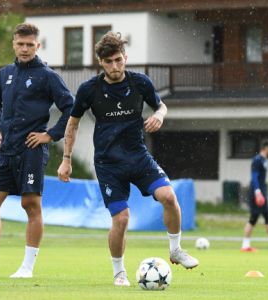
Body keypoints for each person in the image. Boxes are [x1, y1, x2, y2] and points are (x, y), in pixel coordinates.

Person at [57, 32, 199, 287]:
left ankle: (176, 249)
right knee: (121, 219)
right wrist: (66, 159)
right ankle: (119, 272)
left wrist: (160, 116)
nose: (115, 66)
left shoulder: (140, 83)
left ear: (126, 58)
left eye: (119, 60)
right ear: (100, 62)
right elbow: (73, 122)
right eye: (109, 61)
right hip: (109, 163)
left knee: (169, 196)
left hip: (138, 157)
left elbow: (161, 106)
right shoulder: (89, 89)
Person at [0, 23, 73, 278]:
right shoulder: (5, 74)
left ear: (37, 46)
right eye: (20, 44)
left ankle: (27, 268)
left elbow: (71, 107)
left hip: (31, 151)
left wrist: (50, 135)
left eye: (29, 45)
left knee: (30, 204)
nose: (24, 49)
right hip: (6, 150)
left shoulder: (47, 76)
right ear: (13, 44)